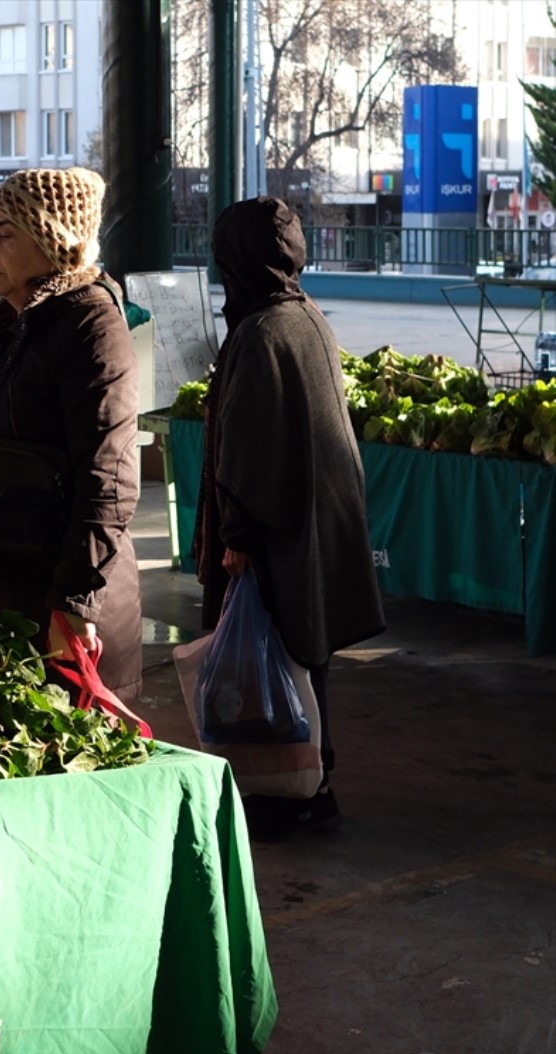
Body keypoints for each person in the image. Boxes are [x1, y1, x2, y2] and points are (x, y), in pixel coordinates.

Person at [197, 196, 385, 840]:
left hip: (274, 536)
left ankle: (284, 791)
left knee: (269, 663)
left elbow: (246, 447)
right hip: (309, 526)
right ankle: (312, 783)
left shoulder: (259, 332)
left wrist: (235, 536)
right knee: (302, 662)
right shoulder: (305, 317)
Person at [0, 168, 143, 699]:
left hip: (61, 601)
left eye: (4, 233)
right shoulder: (9, 322)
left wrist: (73, 604)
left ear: (53, 240)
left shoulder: (93, 328)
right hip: (0, 590)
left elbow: (108, 478)